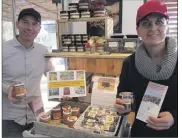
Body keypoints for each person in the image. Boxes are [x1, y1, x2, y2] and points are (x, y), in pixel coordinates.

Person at [115, 1, 177, 137]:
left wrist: (175, 117)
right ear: (138, 30)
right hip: (141, 133)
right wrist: (121, 108)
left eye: (159, 21)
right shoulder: (129, 64)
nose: (153, 28)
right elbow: (123, 98)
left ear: (168, 26)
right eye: (146, 23)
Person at [2, 8, 55, 137]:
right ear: (17, 24)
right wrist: (7, 88)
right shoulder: (3, 49)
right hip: (8, 116)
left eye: (34, 24)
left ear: (39, 28)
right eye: (25, 22)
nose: (30, 27)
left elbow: (51, 73)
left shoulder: (43, 51)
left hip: (35, 113)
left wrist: (66, 87)